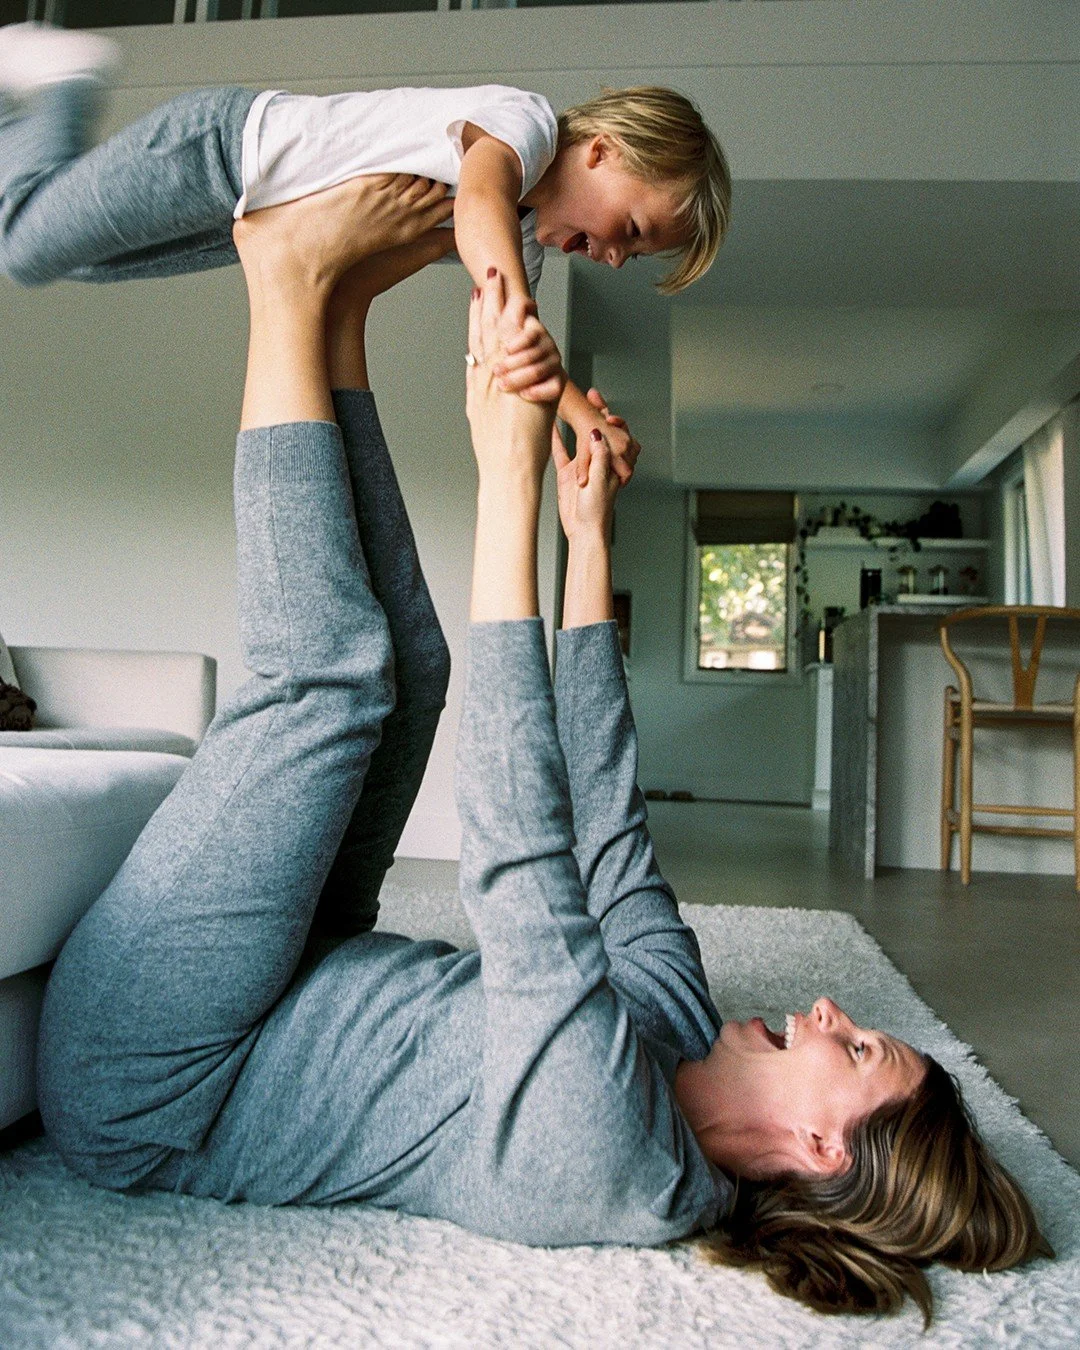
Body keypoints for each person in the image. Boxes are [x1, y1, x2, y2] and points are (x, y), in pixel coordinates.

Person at [36, 176, 1046, 1328]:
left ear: (822, 1148)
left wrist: (507, 479)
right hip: (291, 974)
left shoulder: (615, 1152)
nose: (827, 1010)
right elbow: (607, 832)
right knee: (413, 676)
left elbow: (521, 863)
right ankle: (343, 316)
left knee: (330, 683)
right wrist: (585, 535)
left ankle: (287, 281)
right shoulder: (682, 1035)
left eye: (856, 1050)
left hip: (152, 1070)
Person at [0, 19, 730, 455]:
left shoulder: (519, 237)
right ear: (601, 152)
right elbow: (481, 196)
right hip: (221, 150)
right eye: (631, 229)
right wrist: (514, 311)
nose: (613, 256)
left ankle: (18, 107)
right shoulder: (526, 127)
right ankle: (66, 80)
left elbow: (517, 355)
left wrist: (582, 418)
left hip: (244, 218)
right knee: (25, 244)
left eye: (634, 255)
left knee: (76, 261)